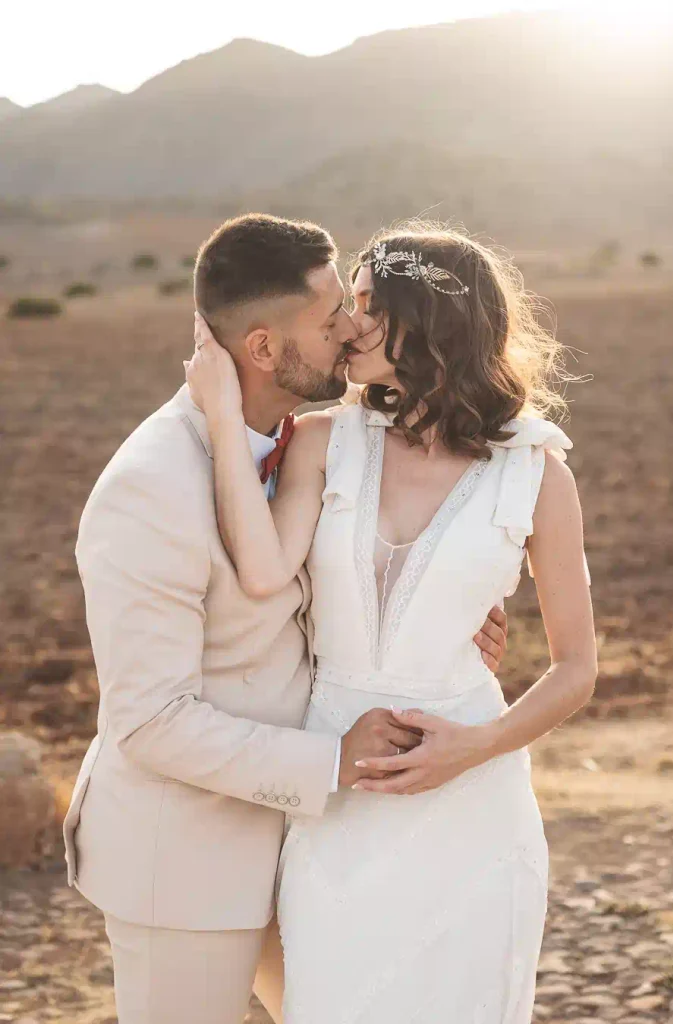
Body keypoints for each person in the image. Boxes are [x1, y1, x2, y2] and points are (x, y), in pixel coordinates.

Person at [62, 214, 508, 1024]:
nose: (352, 328)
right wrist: (331, 762)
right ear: (264, 349)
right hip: (187, 863)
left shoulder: (311, 441)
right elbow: (151, 722)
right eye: (329, 315)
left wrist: (442, 604)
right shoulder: (150, 486)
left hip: (311, 849)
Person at [186, 222, 597, 1024]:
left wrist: (476, 745)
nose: (349, 324)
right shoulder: (324, 441)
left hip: (473, 801)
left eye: (369, 305)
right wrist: (220, 411)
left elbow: (575, 667)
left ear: (428, 320)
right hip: (340, 787)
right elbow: (265, 570)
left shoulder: (536, 475)